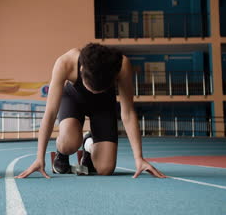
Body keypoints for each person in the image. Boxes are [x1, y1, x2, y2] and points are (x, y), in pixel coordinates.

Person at [16, 43, 166, 179]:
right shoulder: (65, 63)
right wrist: (39, 157)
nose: (94, 93)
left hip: (104, 105)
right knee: (69, 143)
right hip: (73, 100)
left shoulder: (122, 65)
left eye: (99, 89)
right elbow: (50, 113)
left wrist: (138, 158)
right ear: (81, 70)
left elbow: (128, 113)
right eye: (91, 88)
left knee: (105, 169)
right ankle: (61, 154)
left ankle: (88, 144)